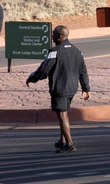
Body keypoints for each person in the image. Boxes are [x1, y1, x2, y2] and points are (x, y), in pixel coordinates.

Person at [26, 25, 90, 154]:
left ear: (60, 36)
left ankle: (70, 144)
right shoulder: (77, 51)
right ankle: (62, 140)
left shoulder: (54, 51)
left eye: (54, 34)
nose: (52, 36)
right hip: (72, 89)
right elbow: (83, 71)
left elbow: (44, 70)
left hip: (59, 88)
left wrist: (32, 78)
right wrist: (85, 88)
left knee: (62, 115)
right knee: (63, 113)